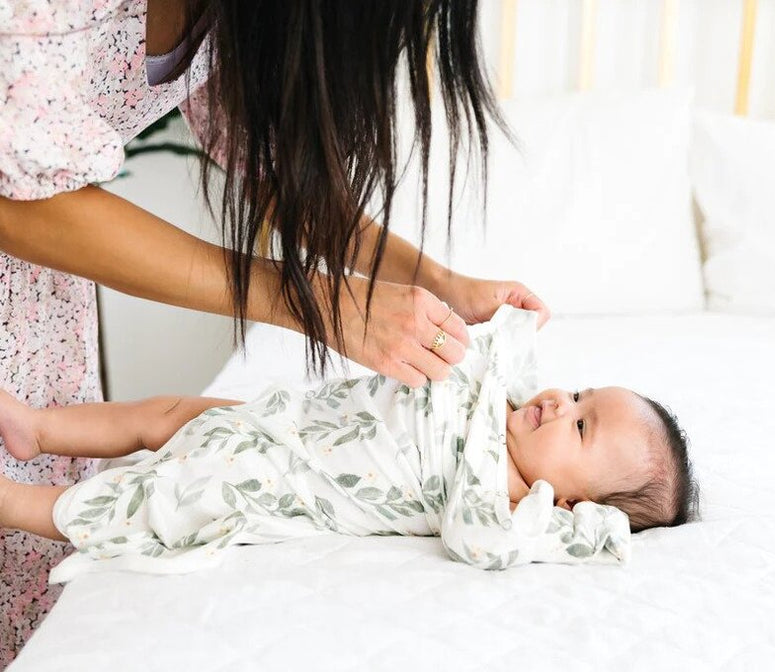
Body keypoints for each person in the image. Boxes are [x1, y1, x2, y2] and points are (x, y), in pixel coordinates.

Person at [0, 1, 550, 658]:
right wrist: (309, 297)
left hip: (37, 310)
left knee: (29, 592)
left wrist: (439, 282)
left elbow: (278, 181)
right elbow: (16, 204)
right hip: (35, 246)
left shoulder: (235, 22)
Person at [0, 307, 699, 580]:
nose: (561, 402)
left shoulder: (503, 497)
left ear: (568, 496)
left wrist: (586, 528)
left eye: (581, 425)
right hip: (285, 418)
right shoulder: (506, 398)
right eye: (581, 394)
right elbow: (499, 342)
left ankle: (16, 501)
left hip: (280, 479)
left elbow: (485, 546)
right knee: (169, 414)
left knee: (146, 498)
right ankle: (37, 426)